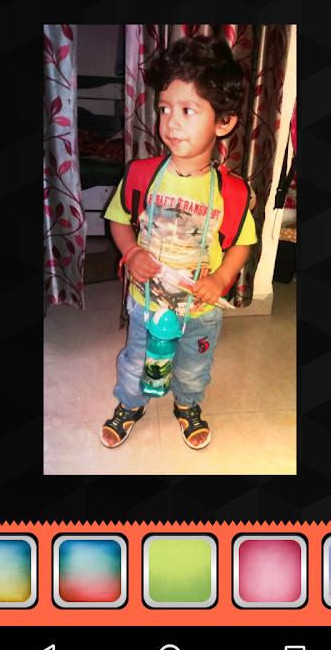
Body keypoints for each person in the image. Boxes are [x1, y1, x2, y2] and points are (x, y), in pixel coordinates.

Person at [101, 35, 257, 450]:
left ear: (224, 122)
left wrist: (221, 279)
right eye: (165, 108)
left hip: (200, 311)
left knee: (193, 367)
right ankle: (130, 404)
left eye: (188, 110)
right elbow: (117, 220)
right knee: (136, 361)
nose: (170, 122)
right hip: (146, 302)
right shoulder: (141, 175)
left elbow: (243, 244)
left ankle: (187, 404)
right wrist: (132, 251)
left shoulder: (232, 192)